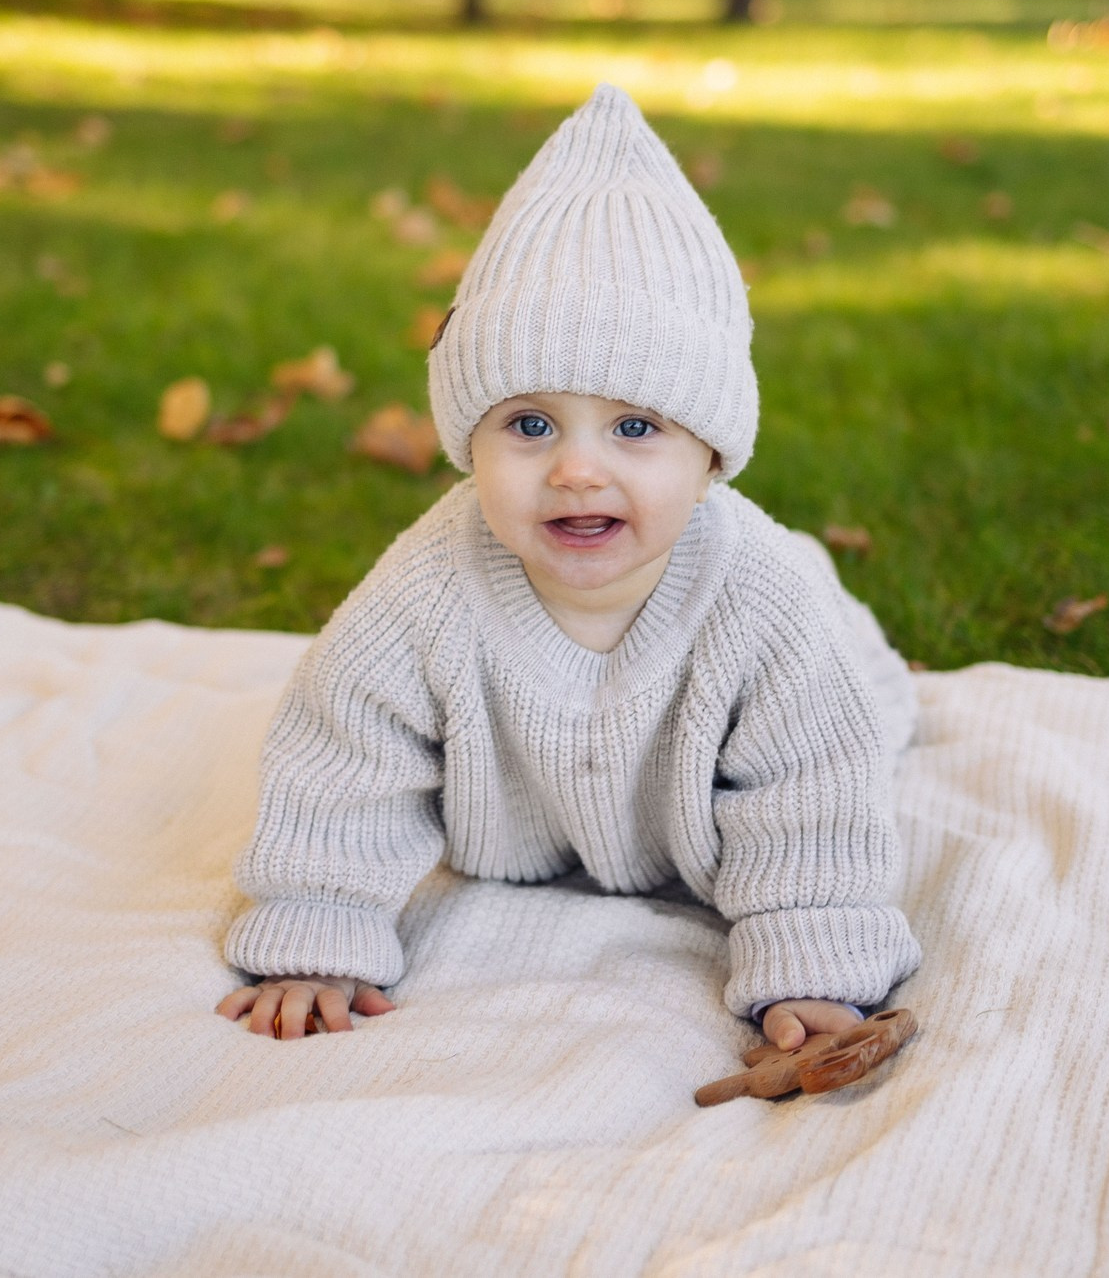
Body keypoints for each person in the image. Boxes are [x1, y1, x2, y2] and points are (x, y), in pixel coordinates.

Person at [215, 83, 920, 1055]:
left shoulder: (760, 603)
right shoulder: (427, 586)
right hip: (521, 831)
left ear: (710, 458)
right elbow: (344, 754)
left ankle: (850, 625)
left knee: (851, 704)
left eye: (635, 427)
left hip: (784, 677)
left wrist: (811, 958)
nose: (577, 469)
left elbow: (812, 791)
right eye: (529, 423)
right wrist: (318, 926)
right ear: (468, 442)